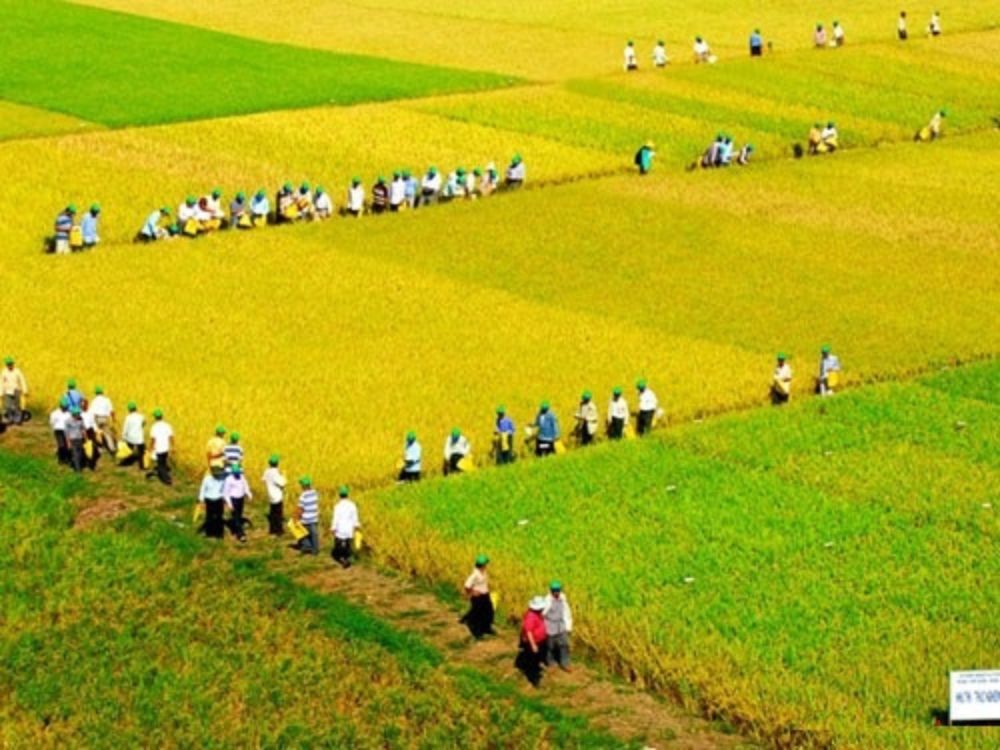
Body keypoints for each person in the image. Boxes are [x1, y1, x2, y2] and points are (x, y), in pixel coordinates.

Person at [461, 555, 495, 638]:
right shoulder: (475, 574)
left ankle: (486, 628)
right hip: (478, 598)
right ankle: (476, 631)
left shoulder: (483, 572)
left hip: (485, 595)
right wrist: (472, 592)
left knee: (489, 612)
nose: (487, 565)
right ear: (482, 565)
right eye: (486, 564)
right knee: (477, 614)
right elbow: (467, 585)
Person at [517, 597, 548, 687]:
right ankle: (533, 679)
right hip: (533, 642)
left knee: (537, 657)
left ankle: (536, 670)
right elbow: (528, 632)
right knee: (532, 660)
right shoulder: (531, 616)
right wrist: (533, 645)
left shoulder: (538, 614)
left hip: (540, 641)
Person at [543, 581, 573, 672]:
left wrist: (568, 626)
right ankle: (550, 662)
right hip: (550, 627)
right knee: (550, 646)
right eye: (554, 590)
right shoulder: (547, 601)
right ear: (551, 591)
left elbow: (567, 613)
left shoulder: (563, 600)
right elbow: (543, 614)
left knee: (564, 645)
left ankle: (565, 663)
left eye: (558, 590)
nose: (556, 592)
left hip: (561, 626)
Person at [331, 486, 361, 569]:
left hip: (340, 529)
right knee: (348, 544)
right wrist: (357, 526)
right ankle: (347, 558)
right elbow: (355, 517)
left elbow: (335, 518)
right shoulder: (352, 505)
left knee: (338, 545)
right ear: (347, 494)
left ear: (339, 495)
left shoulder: (337, 506)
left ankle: (342, 559)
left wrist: (333, 528)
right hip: (349, 529)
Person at [224, 463, 252, 542]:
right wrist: (229, 504)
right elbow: (226, 493)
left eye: (238, 473)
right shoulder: (229, 480)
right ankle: (241, 535)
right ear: (232, 472)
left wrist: (249, 494)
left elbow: (245, 486)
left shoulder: (242, 477)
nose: (237, 474)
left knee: (239, 516)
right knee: (236, 517)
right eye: (236, 473)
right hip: (233, 500)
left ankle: (235, 529)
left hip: (241, 499)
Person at [147, 408, 173, 485]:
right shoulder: (167, 425)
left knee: (160, 465)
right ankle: (164, 473)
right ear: (162, 416)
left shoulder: (154, 427)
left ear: (155, 417)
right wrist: (173, 446)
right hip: (166, 448)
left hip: (159, 449)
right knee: (163, 462)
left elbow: (153, 439)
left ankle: (167, 479)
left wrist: (150, 448)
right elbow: (171, 437)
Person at [198, 469, 226, 539]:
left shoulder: (222, 479)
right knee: (209, 517)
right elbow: (203, 489)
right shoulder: (207, 479)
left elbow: (224, 489)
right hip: (209, 500)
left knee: (219, 517)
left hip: (219, 500)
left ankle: (219, 534)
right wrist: (201, 500)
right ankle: (209, 533)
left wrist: (225, 499)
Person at [262, 454, 286, 535]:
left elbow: (263, 479)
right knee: (278, 514)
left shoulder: (267, 471)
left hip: (270, 496)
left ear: (269, 463)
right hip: (277, 496)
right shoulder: (275, 473)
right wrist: (283, 475)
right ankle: (279, 531)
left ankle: (272, 530)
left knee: (272, 513)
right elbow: (283, 483)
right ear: (277, 463)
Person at [296, 476, 320, 554]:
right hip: (314, 518)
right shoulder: (315, 493)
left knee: (302, 534)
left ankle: (307, 546)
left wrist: (297, 518)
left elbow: (300, 509)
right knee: (314, 535)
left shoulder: (303, 496)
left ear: (303, 486)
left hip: (305, 520)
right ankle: (315, 550)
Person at [1, 356, 27, 426]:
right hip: (7, 391)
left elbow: (22, 380)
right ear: (6, 365)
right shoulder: (4, 372)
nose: (10, 365)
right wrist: (1, 392)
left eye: (10, 364)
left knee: (17, 405)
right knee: (8, 406)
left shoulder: (17, 371)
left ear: (13, 364)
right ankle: (10, 419)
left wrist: (25, 389)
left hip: (16, 390)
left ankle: (18, 419)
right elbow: (1, 382)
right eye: (8, 364)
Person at [119, 401, 145, 469]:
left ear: (129, 410)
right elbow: (144, 423)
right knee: (141, 452)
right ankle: (142, 466)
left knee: (128, 451)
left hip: (130, 438)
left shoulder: (128, 418)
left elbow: (125, 428)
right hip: (139, 438)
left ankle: (125, 463)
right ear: (136, 408)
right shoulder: (141, 417)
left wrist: (123, 437)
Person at [90, 385, 116, 453]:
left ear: (96, 393)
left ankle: (100, 450)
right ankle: (112, 448)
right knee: (107, 434)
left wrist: (92, 422)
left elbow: (91, 412)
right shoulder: (107, 400)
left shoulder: (94, 401)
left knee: (98, 434)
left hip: (97, 418)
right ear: (102, 392)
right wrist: (113, 419)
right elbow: (112, 411)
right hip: (105, 418)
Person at [64, 407, 87, 472]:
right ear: (73, 414)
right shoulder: (68, 421)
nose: (79, 414)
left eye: (79, 413)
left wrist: (86, 438)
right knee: (75, 454)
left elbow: (83, 429)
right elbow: (66, 432)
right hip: (72, 440)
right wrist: (68, 442)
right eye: (77, 413)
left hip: (79, 439)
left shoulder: (81, 420)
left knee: (80, 454)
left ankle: (76, 466)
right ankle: (78, 469)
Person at [80, 398, 100, 470]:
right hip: (83, 431)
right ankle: (87, 463)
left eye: (84, 405)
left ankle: (92, 464)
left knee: (93, 447)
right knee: (85, 447)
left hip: (90, 431)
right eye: (81, 405)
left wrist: (97, 431)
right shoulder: (79, 413)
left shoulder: (91, 412)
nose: (83, 407)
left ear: (87, 405)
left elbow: (93, 422)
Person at [49, 398, 70, 464]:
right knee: (61, 445)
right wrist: (53, 429)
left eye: (66, 406)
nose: (65, 408)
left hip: (66, 431)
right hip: (58, 430)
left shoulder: (68, 413)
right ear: (60, 406)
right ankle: (61, 459)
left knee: (66, 445)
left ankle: (66, 459)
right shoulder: (55, 413)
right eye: (64, 406)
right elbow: (52, 422)